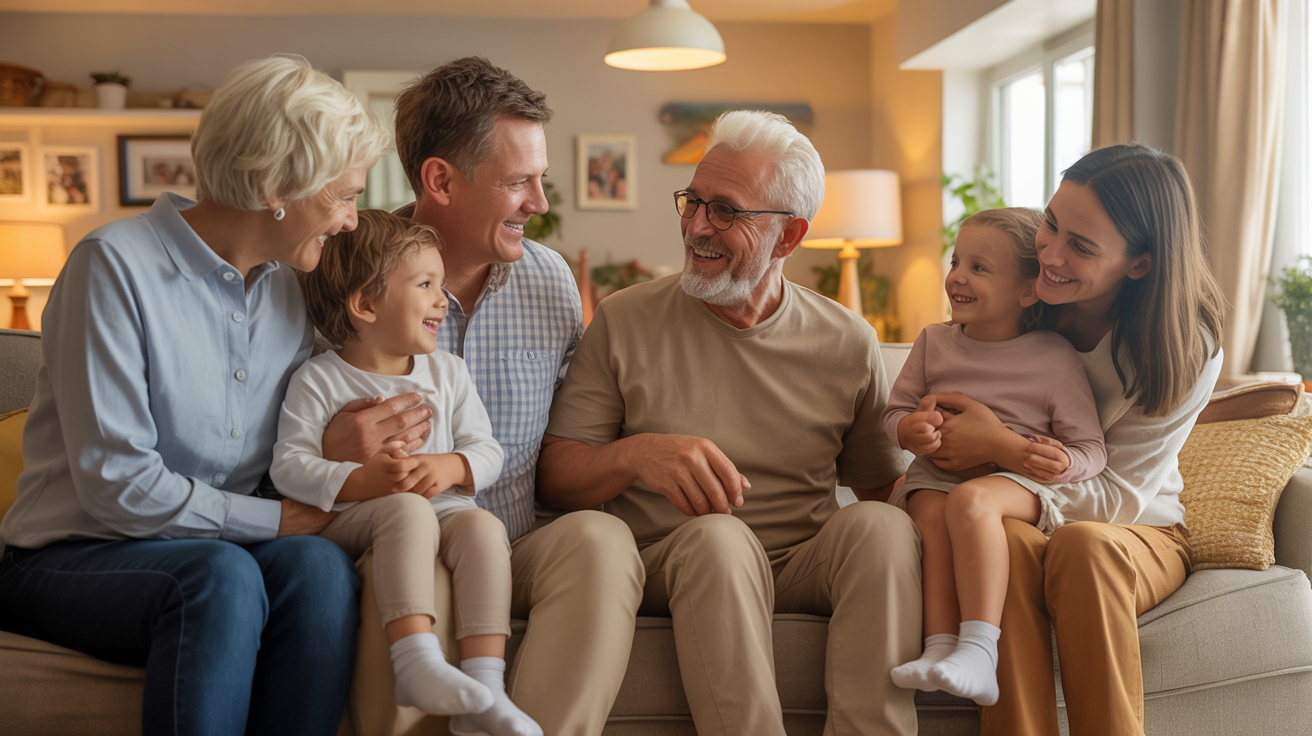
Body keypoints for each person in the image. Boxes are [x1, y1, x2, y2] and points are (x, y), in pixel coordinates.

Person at [0, 55, 389, 736]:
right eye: (343, 195)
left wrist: (340, 440)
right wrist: (272, 522)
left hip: (219, 554)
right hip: (72, 556)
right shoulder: (113, 266)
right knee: (220, 576)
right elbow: (117, 484)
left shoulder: (289, 288)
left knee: (321, 570)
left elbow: (308, 423)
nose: (351, 220)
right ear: (274, 184)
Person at [536, 110, 921, 736]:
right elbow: (554, 476)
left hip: (800, 563)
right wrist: (636, 455)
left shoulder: (849, 341)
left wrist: (979, 470)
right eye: (692, 202)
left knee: (880, 528)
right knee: (721, 538)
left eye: (725, 211)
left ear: (789, 237)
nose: (695, 227)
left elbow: (884, 491)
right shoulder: (625, 319)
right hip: (674, 558)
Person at [319, 57, 644, 735]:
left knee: (602, 540)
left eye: (541, 179)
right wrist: (333, 448)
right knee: (420, 578)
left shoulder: (550, 281)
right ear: (440, 179)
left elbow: (574, 436)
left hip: (514, 545)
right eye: (518, 182)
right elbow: (283, 433)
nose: (541, 204)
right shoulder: (341, 270)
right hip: (395, 540)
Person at [922, 144, 1224, 736]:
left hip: (1139, 531)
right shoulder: (1026, 302)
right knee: (1001, 542)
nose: (1050, 257)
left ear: (1139, 263)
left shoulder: (1184, 345)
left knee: (1084, 546)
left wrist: (1004, 452)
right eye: (1051, 225)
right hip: (1026, 515)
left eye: (1081, 247)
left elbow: (1122, 498)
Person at [270, 209, 541, 736]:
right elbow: (289, 467)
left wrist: (451, 465)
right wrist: (363, 481)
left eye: (441, 284)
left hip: (444, 509)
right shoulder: (319, 379)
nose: (443, 299)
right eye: (425, 284)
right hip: (358, 518)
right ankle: (414, 661)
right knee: (408, 511)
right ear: (366, 304)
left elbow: (486, 448)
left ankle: (485, 687)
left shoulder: (449, 372)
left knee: (484, 526)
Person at [882, 207, 1106, 706]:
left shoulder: (1054, 357)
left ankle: (980, 649)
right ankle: (940, 648)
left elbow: (1092, 450)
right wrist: (909, 429)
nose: (957, 275)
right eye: (957, 260)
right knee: (931, 511)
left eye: (979, 268)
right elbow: (893, 413)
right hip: (934, 478)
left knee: (971, 502)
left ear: (1027, 292)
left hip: (1016, 482)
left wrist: (1065, 463)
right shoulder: (933, 342)